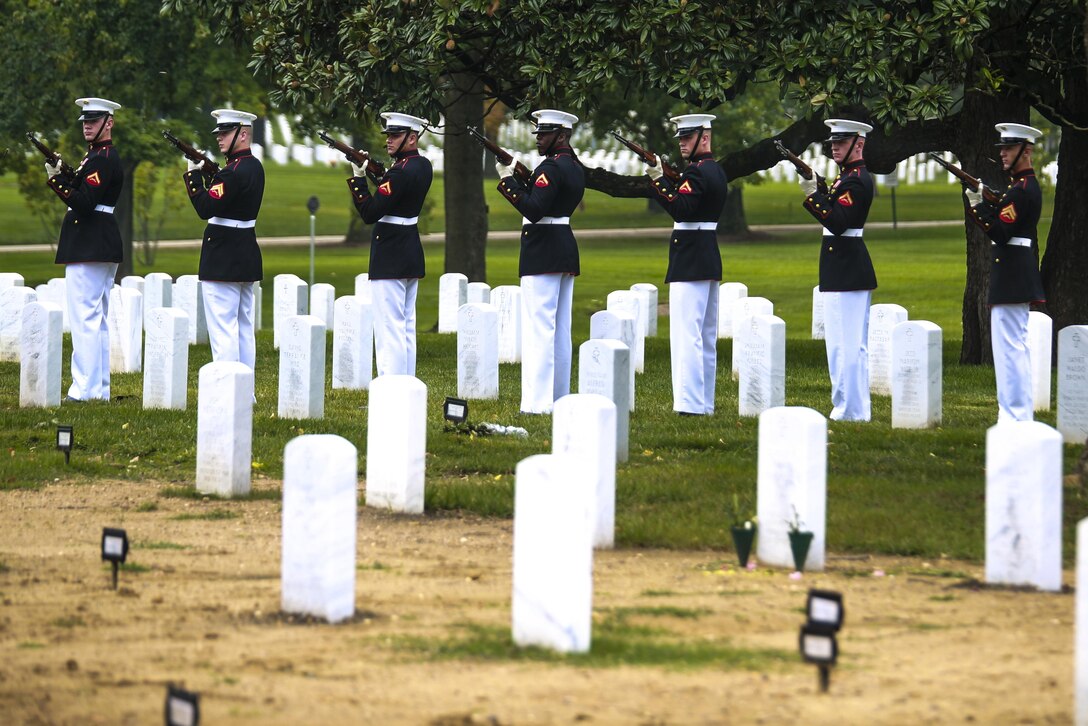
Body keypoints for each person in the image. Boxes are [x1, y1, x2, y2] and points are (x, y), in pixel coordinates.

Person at [495, 109, 584, 414]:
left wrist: (508, 182)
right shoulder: (574, 165)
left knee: (538, 331)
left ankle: (536, 404)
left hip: (542, 250)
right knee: (559, 329)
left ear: (561, 135)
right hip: (563, 248)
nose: (539, 139)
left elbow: (533, 209)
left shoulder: (552, 167)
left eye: (544, 134)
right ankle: (558, 397)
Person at [643, 113, 727, 416]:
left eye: (687, 137)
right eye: (679, 137)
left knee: (686, 336)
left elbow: (680, 209)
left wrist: (658, 180)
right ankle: (703, 403)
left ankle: (690, 405)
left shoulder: (697, 174)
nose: (681, 143)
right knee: (704, 337)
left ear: (704, 138)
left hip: (690, 258)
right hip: (707, 257)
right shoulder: (715, 170)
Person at [966, 123, 1046, 423]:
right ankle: (1016, 412)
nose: (1002, 154)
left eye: (1009, 149)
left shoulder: (1022, 190)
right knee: (1013, 347)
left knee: (1009, 348)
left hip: (1012, 274)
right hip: (1014, 272)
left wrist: (977, 207)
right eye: (1001, 148)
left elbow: (1000, 232)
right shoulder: (1020, 187)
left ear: (1025, 152)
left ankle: (1014, 415)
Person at [45, 97, 124, 402]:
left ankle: (84, 391)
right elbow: (85, 188)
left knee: (85, 320)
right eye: (85, 122)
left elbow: (84, 202)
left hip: (90, 244)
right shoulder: (97, 157)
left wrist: (55, 181)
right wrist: (64, 174)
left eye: (94, 121)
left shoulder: (102, 159)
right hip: (97, 243)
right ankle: (98, 389)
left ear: (109, 123)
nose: (88, 126)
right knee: (96, 320)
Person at [800, 118, 877, 422]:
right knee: (843, 347)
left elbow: (838, 222)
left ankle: (849, 410)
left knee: (845, 347)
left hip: (847, 269)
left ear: (858, 144)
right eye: (832, 143)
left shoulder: (856, 180)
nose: (834, 147)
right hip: (843, 268)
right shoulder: (847, 177)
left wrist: (812, 195)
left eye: (841, 143)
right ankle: (851, 408)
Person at [347, 112, 433, 377]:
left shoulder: (399, 172)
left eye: (395, 136)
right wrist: (377, 175)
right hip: (409, 251)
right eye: (388, 136)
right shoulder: (422, 165)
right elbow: (395, 194)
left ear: (412, 137)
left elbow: (370, 213)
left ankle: (391, 387)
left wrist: (358, 179)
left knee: (389, 329)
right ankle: (406, 384)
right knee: (405, 326)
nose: (389, 141)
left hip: (390, 255)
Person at [182, 109, 265, 371]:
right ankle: (245, 388)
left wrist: (193, 176)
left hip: (222, 257)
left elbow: (205, 208)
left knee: (223, 329)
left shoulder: (231, 173)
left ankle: (228, 386)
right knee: (242, 327)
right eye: (218, 133)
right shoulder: (254, 167)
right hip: (245, 252)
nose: (219, 138)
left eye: (225, 133)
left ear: (242, 134)